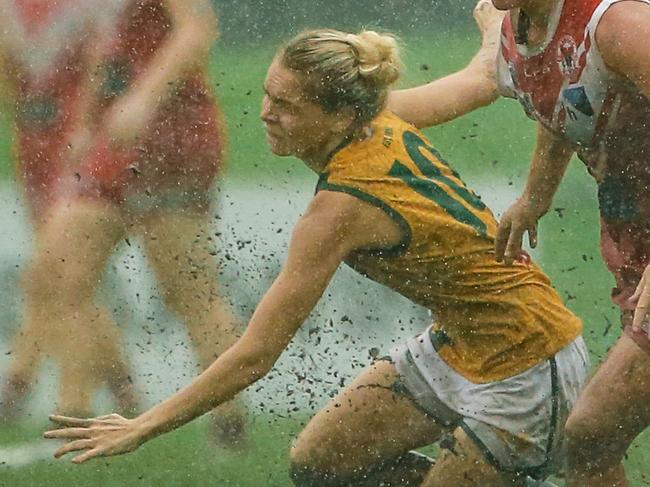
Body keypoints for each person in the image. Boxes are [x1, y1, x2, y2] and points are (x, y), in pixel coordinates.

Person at [45, 28, 589, 487]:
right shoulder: (382, 116)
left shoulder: (338, 210)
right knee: (320, 462)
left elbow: (255, 356)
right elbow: (478, 79)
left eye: (286, 105)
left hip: (527, 359)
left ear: (337, 116)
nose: (265, 113)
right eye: (267, 95)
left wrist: (144, 425)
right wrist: (503, 23)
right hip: (460, 342)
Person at [2, 0, 246, 445]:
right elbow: (105, 49)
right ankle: (74, 417)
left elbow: (196, 30)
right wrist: (84, 124)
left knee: (189, 292)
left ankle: (229, 424)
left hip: (173, 131)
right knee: (55, 274)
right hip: (113, 139)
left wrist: (143, 98)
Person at [476, 0, 650, 484]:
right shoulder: (519, 26)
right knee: (593, 441)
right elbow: (568, 105)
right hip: (635, 247)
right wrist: (535, 196)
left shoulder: (619, 24)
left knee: (591, 436)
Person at [0, 0, 138, 422]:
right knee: (58, 276)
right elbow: (8, 78)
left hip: (80, 140)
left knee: (58, 274)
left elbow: (109, 63)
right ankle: (123, 386)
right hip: (38, 141)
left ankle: (21, 384)